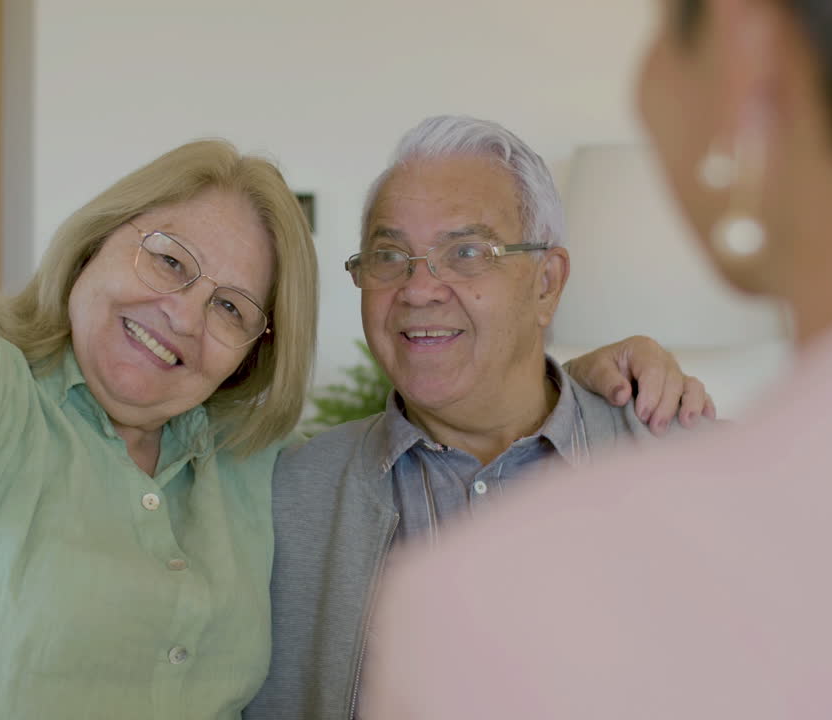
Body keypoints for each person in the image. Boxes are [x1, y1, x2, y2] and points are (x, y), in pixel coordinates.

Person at [0, 76, 705, 718]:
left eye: (231, 304)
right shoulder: (274, 482)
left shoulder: (241, 474)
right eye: (167, 258)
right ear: (96, 243)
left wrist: (590, 391)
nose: (421, 286)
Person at [366, 0, 832, 717]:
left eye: (663, 31)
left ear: (746, 53)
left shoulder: (491, 597)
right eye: (390, 255)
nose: (421, 288)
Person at [245, 115, 713, 719]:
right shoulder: (285, 497)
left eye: (466, 253)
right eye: (389, 255)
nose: (418, 289)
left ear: (547, 283)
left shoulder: (691, 468)